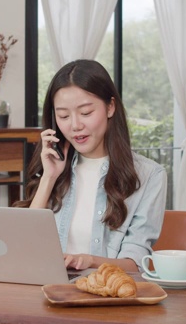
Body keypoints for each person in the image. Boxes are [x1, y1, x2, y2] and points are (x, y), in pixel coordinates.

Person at [14, 59, 167, 272]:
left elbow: (135, 265)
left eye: (86, 113)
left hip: (104, 296)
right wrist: (49, 178)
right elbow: (22, 247)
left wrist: (90, 261)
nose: (75, 125)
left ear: (110, 107)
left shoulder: (149, 175)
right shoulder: (54, 168)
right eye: (63, 116)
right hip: (49, 291)